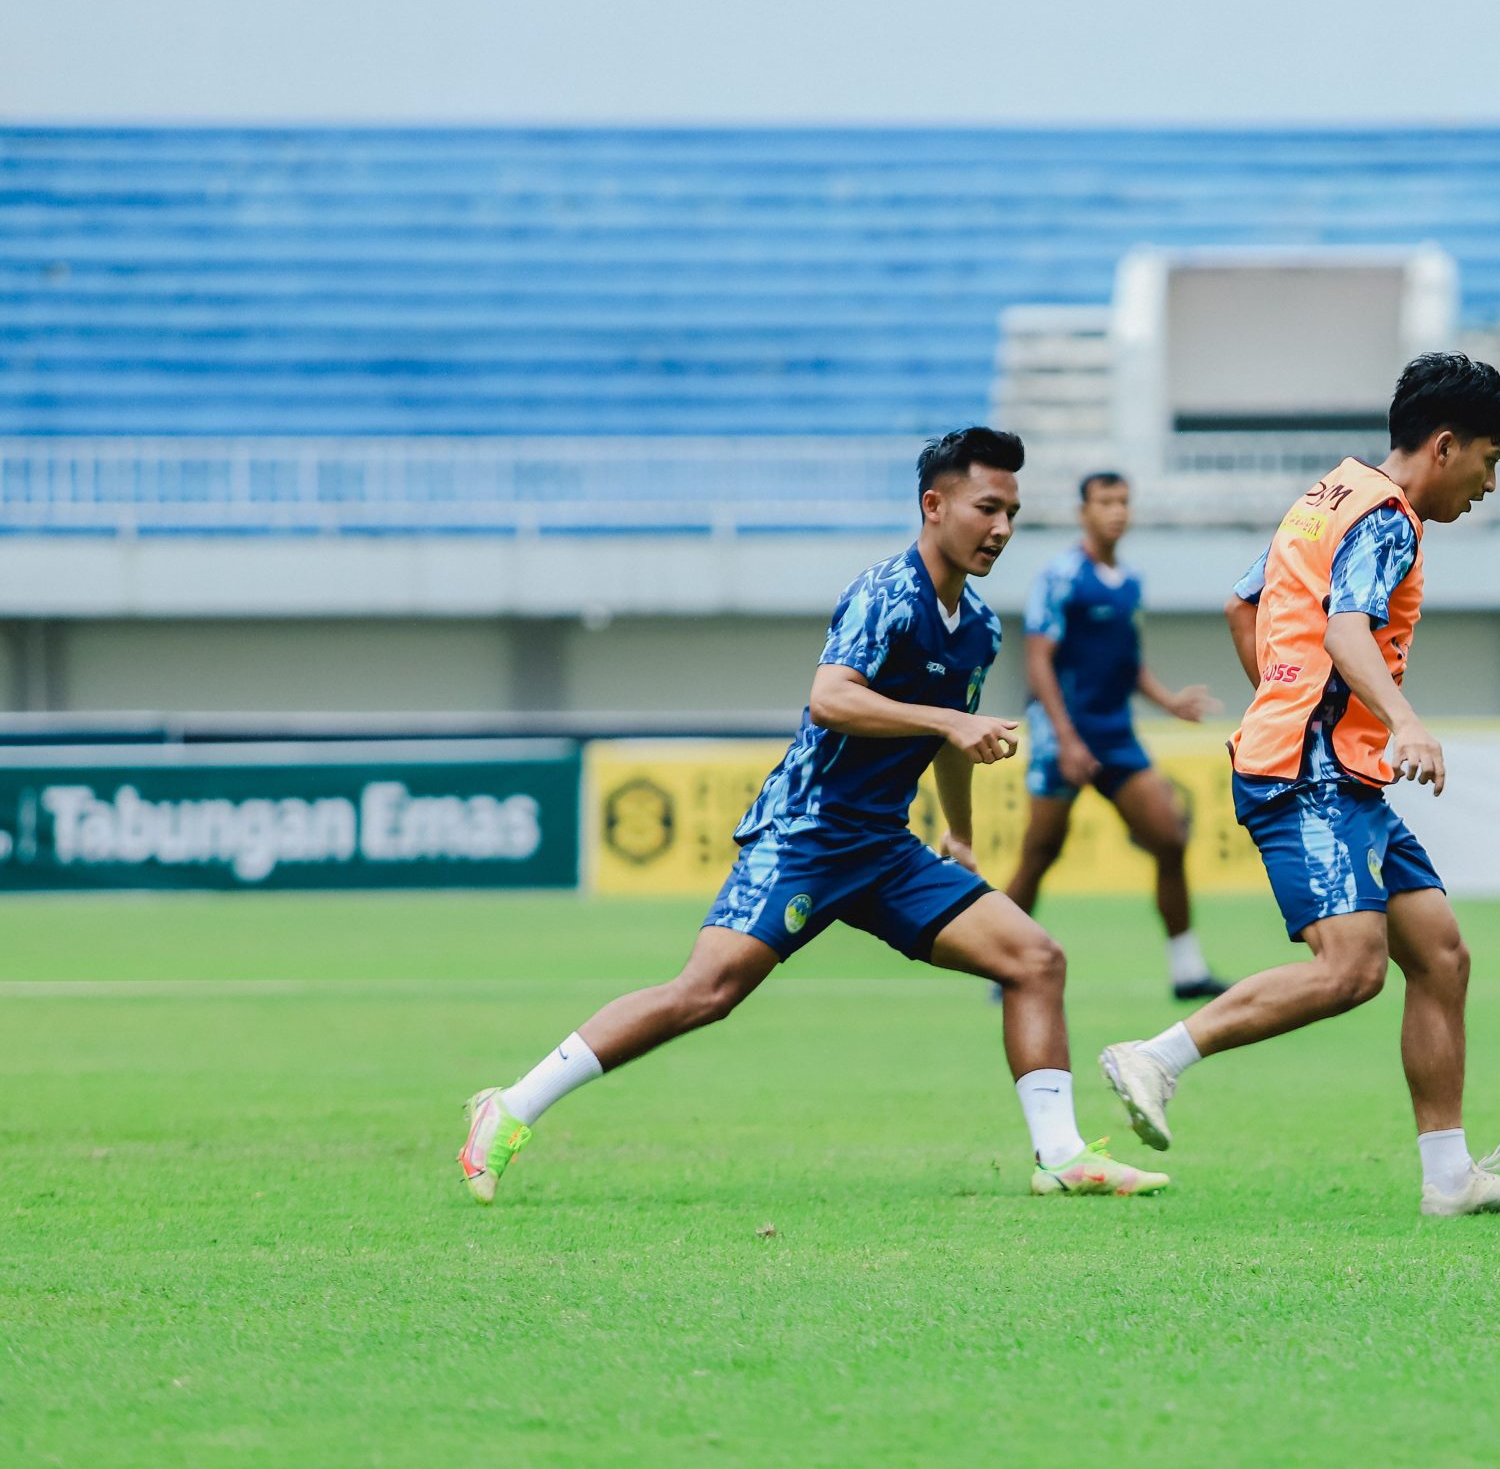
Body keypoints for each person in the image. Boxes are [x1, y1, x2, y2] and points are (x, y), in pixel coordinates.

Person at [457, 428, 1169, 1204]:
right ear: (934, 506)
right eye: (985, 508)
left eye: (1012, 512)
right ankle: (509, 1106)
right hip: (805, 832)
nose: (1000, 528)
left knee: (1035, 959)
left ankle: (1059, 1154)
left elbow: (953, 742)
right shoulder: (884, 592)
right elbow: (831, 698)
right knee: (707, 992)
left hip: (884, 848)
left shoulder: (981, 628)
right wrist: (944, 722)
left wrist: (958, 831)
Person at [1097, 354, 1500, 1217]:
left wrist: (1282, 699)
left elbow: (1242, 605)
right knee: (1351, 970)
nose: (1489, 482)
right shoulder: (1391, 519)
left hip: (1335, 767)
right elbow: (1343, 629)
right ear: (1444, 446)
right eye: (1489, 459)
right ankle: (1157, 1056)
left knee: (1440, 954)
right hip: (1310, 772)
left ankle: (1449, 1178)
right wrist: (1401, 718)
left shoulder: (1329, 493)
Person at [1003, 471, 1231, 1001]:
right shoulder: (1061, 576)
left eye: (1124, 501)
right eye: (1105, 501)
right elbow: (1038, 661)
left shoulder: (1129, 582)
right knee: (1039, 853)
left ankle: (1187, 970)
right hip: (1065, 736)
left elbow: (1128, 663)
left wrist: (1169, 700)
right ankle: (1002, 962)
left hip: (1116, 735)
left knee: (1170, 839)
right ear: (1083, 510)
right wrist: (1066, 738)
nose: (1117, 511)